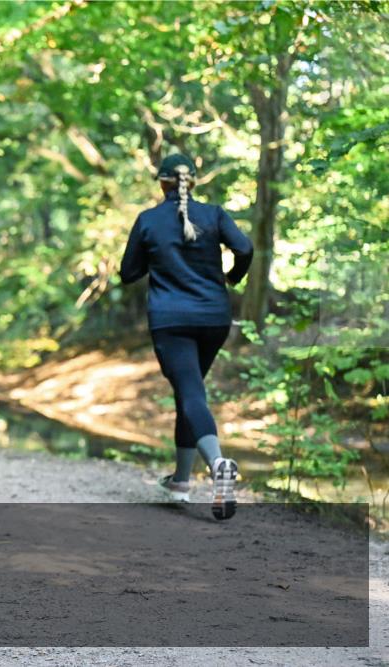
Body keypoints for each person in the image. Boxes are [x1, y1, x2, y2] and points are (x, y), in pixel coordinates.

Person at [120, 153, 253, 521]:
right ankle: (180, 480)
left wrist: (158, 257)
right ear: (192, 182)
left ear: (162, 183)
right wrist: (232, 277)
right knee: (188, 391)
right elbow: (244, 248)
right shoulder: (213, 214)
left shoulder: (148, 221)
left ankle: (217, 465)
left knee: (191, 393)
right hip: (214, 318)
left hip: (171, 321)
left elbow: (128, 272)